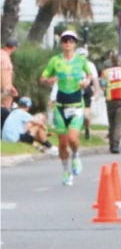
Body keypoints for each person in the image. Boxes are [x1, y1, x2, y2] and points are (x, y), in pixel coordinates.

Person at [39, 28, 90, 185]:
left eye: (71, 40)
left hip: (76, 105)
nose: (67, 43)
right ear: (61, 43)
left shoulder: (81, 61)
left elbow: (89, 75)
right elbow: (43, 77)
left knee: (72, 138)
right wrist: (48, 81)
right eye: (65, 40)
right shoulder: (55, 60)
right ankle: (66, 172)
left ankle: (75, 155)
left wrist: (86, 82)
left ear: (75, 44)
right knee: (62, 142)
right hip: (60, 105)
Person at [100, 52, 121, 154]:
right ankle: (116, 145)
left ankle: (111, 143)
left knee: (111, 122)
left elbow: (103, 84)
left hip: (110, 99)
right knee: (118, 123)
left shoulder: (105, 72)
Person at [77, 46, 100, 141]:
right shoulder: (73, 65)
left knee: (86, 115)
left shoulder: (90, 65)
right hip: (76, 89)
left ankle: (87, 129)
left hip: (86, 90)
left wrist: (96, 92)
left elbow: (95, 80)